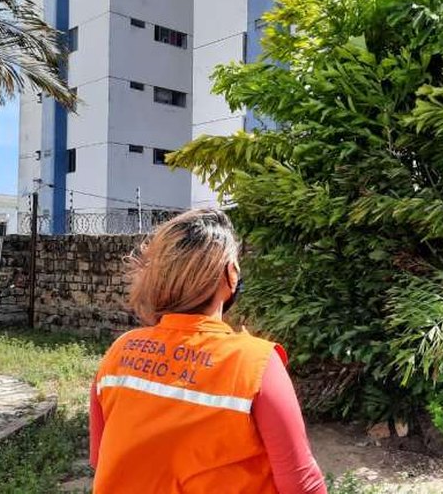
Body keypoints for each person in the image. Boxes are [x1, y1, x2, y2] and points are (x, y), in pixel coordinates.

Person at [89, 209, 326, 494]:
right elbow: (302, 486)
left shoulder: (120, 352)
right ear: (231, 274)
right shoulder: (257, 364)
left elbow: (101, 460)